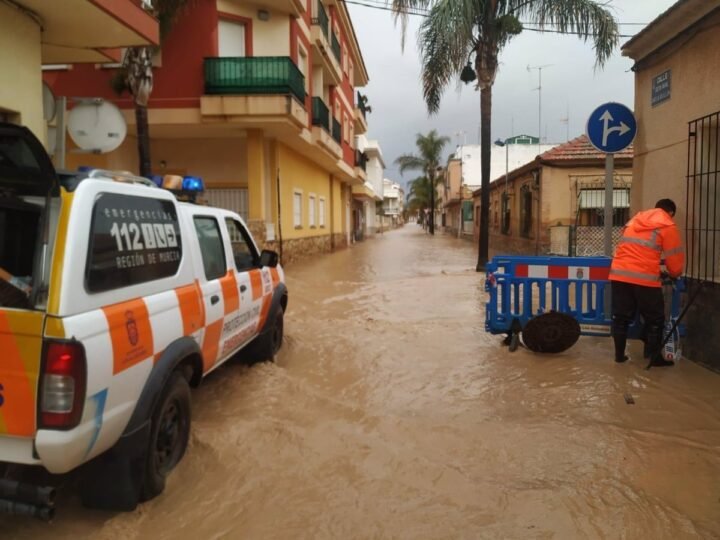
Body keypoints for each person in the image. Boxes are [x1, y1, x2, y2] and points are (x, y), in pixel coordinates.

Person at [609, 199, 684, 367]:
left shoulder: (635, 220)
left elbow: (633, 250)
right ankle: (655, 358)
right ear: (670, 213)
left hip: (619, 274)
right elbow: (674, 260)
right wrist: (674, 274)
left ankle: (619, 357)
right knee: (655, 319)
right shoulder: (667, 225)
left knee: (621, 317)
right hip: (644, 278)